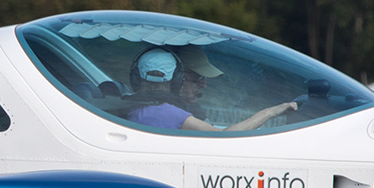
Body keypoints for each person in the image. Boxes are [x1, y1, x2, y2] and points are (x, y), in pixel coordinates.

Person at [125, 47, 298, 132]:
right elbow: (224, 138)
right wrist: (270, 112)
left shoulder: (129, 106)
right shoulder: (167, 113)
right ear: (178, 79)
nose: (203, 85)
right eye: (195, 78)